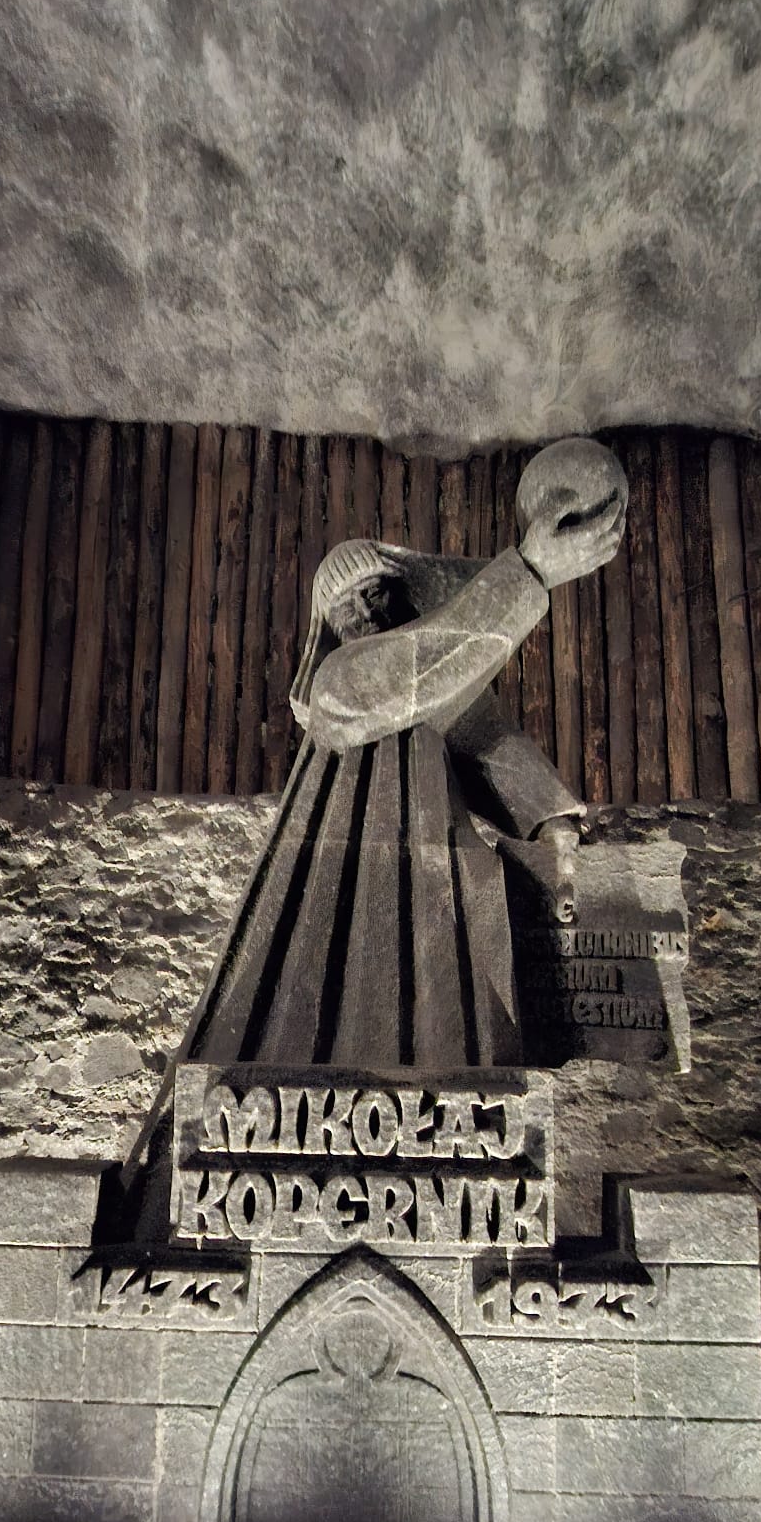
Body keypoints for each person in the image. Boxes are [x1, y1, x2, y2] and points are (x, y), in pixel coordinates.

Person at [177, 436, 628, 1075]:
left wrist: (552, 823)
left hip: (433, 897)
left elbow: (484, 735)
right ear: (329, 625)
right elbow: (402, 675)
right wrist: (527, 572)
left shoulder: (427, 692)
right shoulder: (337, 685)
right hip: (335, 895)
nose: (368, 611)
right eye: (350, 604)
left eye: (381, 594)